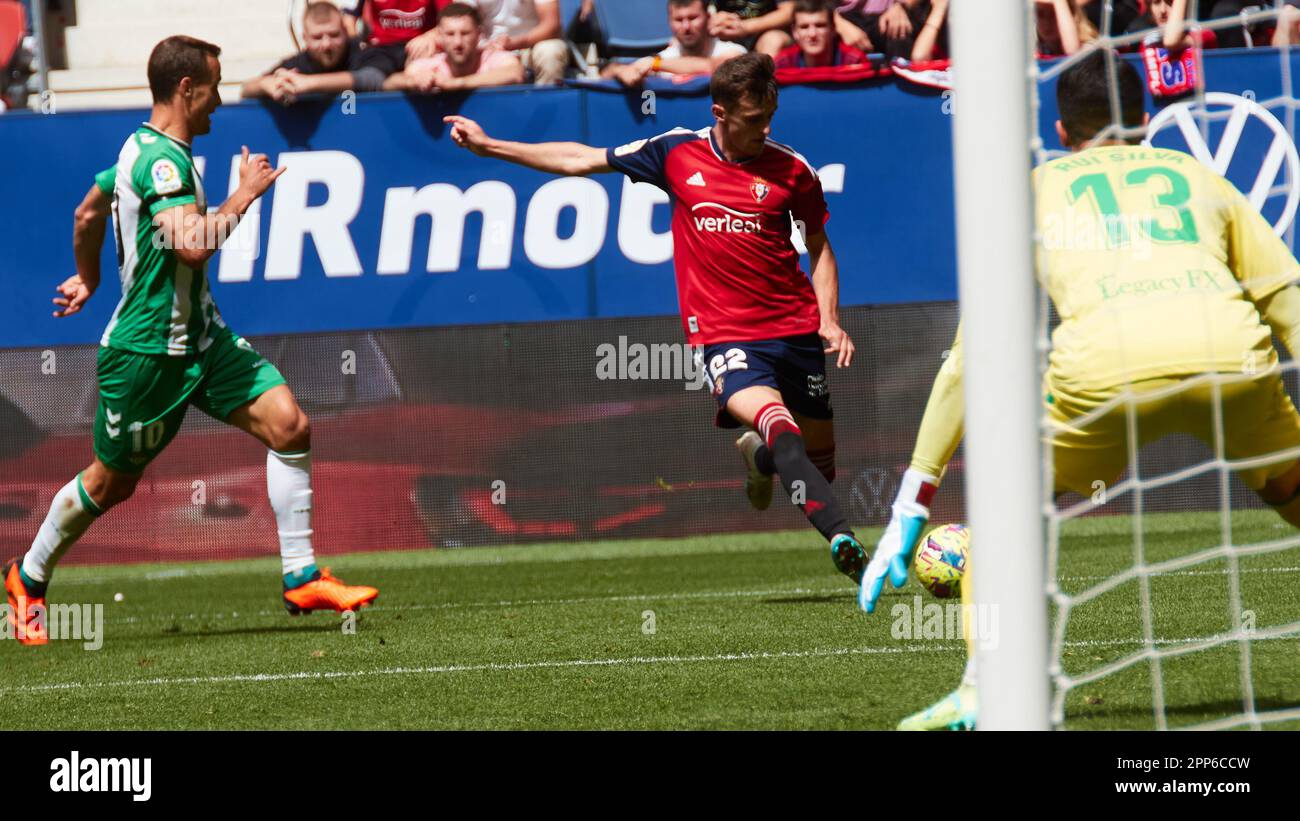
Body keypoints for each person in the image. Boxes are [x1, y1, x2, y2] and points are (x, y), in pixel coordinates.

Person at [861, 51, 1300, 730]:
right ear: (1148, 122)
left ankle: (985, 689)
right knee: (1289, 491)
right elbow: (1284, 295)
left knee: (1005, 511)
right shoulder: (1195, 174)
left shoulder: (1032, 190)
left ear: (1062, 132)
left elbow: (967, 358)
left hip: (1105, 375)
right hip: (1232, 361)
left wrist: (913, 498)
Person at [3, 36, 380, 646]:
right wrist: (246, 194)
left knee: (290, 424)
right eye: (214, 85)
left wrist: (90, 276)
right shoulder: (162, 163)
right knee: (111, 482)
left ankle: (300, 575)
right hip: (149, 354)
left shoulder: (142, 149)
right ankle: (28, 576)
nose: (220, 100)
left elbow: (87, 211)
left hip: (204, 341)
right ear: (186, 88)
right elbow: (192, 244)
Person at [443, 53, 871, 587]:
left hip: (795, 329)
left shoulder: (792, 170)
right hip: (726, 336)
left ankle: (758, 460)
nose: (765, 128)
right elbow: (580, 158)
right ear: (719, 112)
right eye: (753, 120)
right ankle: (845, 541)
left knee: (816, 466)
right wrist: (491, 146)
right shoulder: (674, 152)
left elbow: (818, 245)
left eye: (769, 117)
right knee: (782, 433)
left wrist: (829, 320)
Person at [242, 1, 386, 104]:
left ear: (345, 31)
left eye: (334, 35)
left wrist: (307, 83)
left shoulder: (362, 50)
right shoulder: (300, 62)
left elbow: (374, 78)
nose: (326, 44)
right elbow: (246, 89)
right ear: (305, 38)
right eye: (317, 37)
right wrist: (268, 85)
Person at [601, 0, 746, 87]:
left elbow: (715, 66)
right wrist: (620, 71)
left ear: (708, 17)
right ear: (669, 22)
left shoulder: (733, 51)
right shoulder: (663, 58)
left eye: (693, 18)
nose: (686, 26)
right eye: (678, 20)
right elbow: (605, 74)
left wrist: (655, 65)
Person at [387, 2, 525, 91]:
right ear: (439, 36)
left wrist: (456, 84)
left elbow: (515, 73)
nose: (458, 42)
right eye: (450, 34)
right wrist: (414, 81)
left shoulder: (492, 58)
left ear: (479, 34)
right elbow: (390, 83)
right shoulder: (433, 65)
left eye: (465, 34)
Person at [463, 0, 569, 85]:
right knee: (459, 50)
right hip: (487, 49)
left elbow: (551, 25)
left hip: (532, 46)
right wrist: (484, 45)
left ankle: (547, 106)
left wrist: (515, 43)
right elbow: (461, 20)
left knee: (550, 52)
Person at [775, 0, 869, 69]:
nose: (812, 34)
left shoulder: (854, 61)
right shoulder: (783, 63)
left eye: (820, 26)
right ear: (794, 32)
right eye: (804, 27)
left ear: (833, 29)